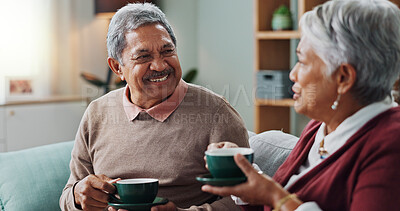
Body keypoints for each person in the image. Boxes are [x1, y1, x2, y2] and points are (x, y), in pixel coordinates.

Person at [202, 0, 400, 211]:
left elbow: (278, 199)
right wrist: (245, 173)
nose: (292, 74)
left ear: (343, 77)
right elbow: (275, 203)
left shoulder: (390, 145)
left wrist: (274, 196)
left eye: (302, 62)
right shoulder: (320, 126)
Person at [59, 3, 249, 211]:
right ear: (117, 67)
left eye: (167, 51)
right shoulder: (96, 113)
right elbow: (69, 193)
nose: (159, 66)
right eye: (143, 56)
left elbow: (244, 199)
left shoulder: (217, 113)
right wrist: (78, 195)